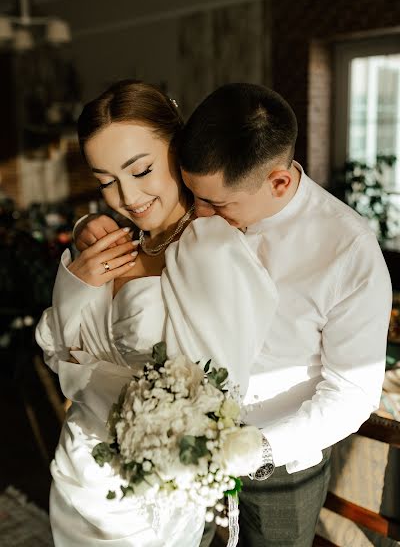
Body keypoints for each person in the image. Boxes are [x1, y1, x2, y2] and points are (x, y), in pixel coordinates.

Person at [76, 82, 392, 547]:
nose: (200, 218)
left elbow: (350, 393)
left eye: (217, 204)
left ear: (279, 182)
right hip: (171, 449)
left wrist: (257, 451)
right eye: (193, 194)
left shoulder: (349, 253)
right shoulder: (209, 194)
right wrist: (89, 226)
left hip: (280, 465)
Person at [35, 80, 278, 547]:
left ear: (179, 147)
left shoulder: (211, 249)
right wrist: (78, 283)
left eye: (141, 170)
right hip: (75, 471)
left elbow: (218, 389)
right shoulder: (115, 243)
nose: (126, 196)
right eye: (106, 181)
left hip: (144, 498)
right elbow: (59, 352)